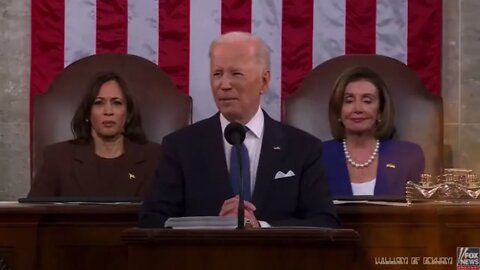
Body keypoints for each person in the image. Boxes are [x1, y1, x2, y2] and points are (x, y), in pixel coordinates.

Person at [139, 32, 339, 228]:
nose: (224, 84)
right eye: (217, 74)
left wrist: (261, 226)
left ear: (264, 81)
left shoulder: (302, 148)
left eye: (236, 73)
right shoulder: (180, 146)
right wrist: (213, 226)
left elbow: (325, 222)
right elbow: (152, 220)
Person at [28, 72, 161, 198]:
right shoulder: (58, 158)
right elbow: (34, 216)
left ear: (128, 114)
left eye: (117, 103)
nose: (108, 111)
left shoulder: (155, 157)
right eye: (99, 103)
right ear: (87, 114)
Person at [322, 66, 425, 196]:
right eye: (349, 101)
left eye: (367, 101)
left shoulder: (409, 156)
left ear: (380, 112)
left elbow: (420, 212)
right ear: (338, 111)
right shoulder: (317, 156)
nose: (358, 109)